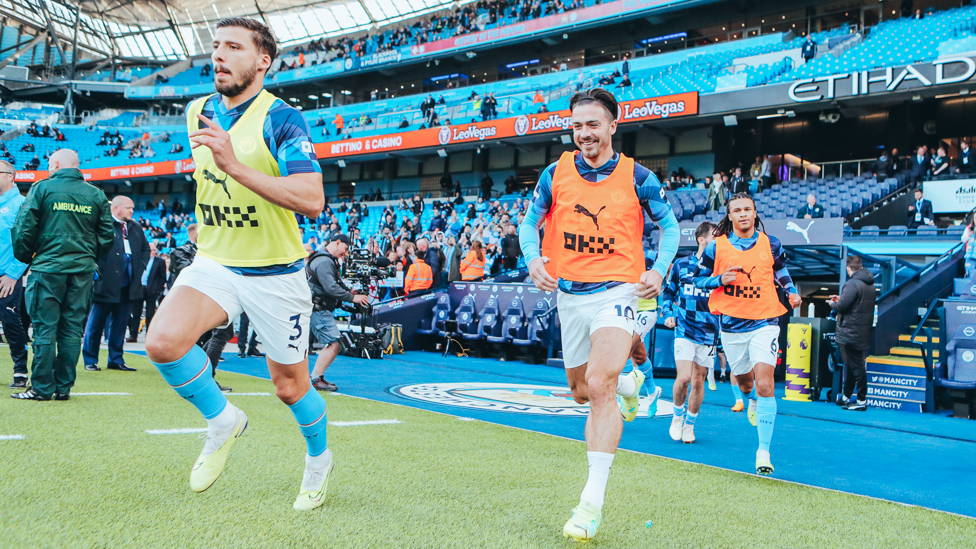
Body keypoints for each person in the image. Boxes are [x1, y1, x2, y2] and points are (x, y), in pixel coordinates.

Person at [143, 17, 332, 511]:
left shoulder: (282, 118)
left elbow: (312, 200)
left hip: (276, 273)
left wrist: (235, 167)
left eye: (232, 46)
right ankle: (223, 419)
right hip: (217, 262)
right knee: (161, 342)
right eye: (215, 46)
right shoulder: (197, 111)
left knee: (290, 387)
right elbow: (209, 184)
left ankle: (318, 459)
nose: (218, 56)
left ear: (262, 60)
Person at [519, 88, 679, 542]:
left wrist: (660, 267)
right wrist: (533, 258)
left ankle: (590, 504)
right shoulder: (555, 173)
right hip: (570, 294)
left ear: (613, 125)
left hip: (621, 290)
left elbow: (669, 225)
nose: (584, 133)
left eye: (593, 124)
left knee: (600, 384)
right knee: (580, 391)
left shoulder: (639, 176)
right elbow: (529, 222)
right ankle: (634, 383)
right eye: (577, 125)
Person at [693, 192, 801, 476]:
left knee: (766, 385)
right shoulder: (716, 248)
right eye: (737, 210)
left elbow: (781, 270)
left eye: (747, 209)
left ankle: (763, 451)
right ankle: (750, 397)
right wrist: (719, 279)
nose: (742, 214)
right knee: (745, 383)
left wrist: (790, 291)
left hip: (765, 321)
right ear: (729, 216)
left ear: (755, 213)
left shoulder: (771, 243)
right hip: (732, 325)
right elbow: (695, 280)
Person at [10, 150, 115, 400]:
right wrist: (87, 256)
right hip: (82, 272)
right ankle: (63, 388)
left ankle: (42, 388)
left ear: (55, 164)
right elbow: (108, 237)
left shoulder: (42, 188)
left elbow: (24, 227)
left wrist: (28, 257)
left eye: (49, 164)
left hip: (48, 270)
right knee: (71, 331)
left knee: (45, 329)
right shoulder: (96, 194)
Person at [662, 222, 720, 443]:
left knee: (698, 381)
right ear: (702, 240)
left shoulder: (720, 268)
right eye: (714, 237)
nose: (718, 242)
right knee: (684, 378)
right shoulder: (682, 264)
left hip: (709, 333)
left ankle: (690, 425)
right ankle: (677, 417)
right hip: (685, 329)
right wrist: (667, 312)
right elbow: (669, 291)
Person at [82, 195, 150, 372]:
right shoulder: (102, 225)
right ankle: (90, 359)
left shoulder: (135, 227)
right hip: (106, 283)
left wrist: (140, 267)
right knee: (96, 324)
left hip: (128, 285)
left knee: (120, 324)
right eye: (129, 208)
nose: (132, 211)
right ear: (116, 208)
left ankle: (116, 359)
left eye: (132, 208)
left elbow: (145, 249)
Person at [307, 234, 368, 391]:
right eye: (346, 249)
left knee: (332, 343)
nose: (346, 254)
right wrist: (352, 298)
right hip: (318, 309)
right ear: (337, 242)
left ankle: (313, 377)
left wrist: (349, 292)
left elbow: (333, 285)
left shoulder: (325, 259)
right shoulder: (324, 261)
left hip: (318, 308)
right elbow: (331, 288)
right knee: (334, 343)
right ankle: (315, 378)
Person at [829, 255, 875, 412]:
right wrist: (841, 300)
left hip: (849, 332)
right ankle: (847, 396)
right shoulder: (870, 285)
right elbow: (855, 304)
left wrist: (832, 303)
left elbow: (841, 306)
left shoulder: (852, 284)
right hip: (861, 331)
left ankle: (861, 400)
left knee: (857, 366)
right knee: (853, 364)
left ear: (849, 268)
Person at [0, 160, 29, 388]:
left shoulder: (22, 204)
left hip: (6, 277)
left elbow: (29, 243)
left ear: (11, 176)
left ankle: (20, 371)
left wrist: (13, 274)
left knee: (11, 322)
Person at [127, 242, 168, 341]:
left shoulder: (160, 262)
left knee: (150, 314)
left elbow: (162, 278)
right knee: (136, 313)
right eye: (150, 250)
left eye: (153, 250)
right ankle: (133, 335)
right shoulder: (140, 260)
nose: (151, 252)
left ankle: (149, 336)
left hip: (151, 291)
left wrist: (157, 290)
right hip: (139, 289)